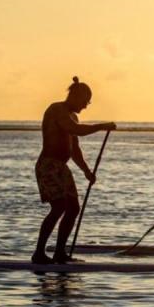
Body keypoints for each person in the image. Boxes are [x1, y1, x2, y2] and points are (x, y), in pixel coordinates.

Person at [33, 77, 116, 264]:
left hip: (62, 167)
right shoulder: (56, 110)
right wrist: (101, 126)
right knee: (59, 206)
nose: (86, 106)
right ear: (75, 96)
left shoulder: (73, 116)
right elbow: (75, 130)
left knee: (73, 208)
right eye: (85, 101)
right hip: (48, 166)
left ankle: (60, 253)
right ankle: (38, 253)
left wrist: (87, 171)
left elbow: (75, 148)